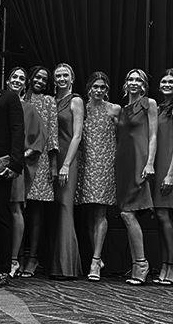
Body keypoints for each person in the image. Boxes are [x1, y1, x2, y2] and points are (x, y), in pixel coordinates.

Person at [0, 64, 29, 282]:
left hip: (1, 164)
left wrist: (15, 163)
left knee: (1, 213)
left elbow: (18, 130)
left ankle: (3, 268)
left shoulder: (8, 97)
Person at [115, 71, 156, 285]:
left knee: (128, 213)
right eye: (130, 79)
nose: (133, 82)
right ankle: (136, 265)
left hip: (139, 161)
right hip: (123, 163)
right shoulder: (122, 110)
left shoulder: (149, 104)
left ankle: (141, 264)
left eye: (138, 80)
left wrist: (150, 163)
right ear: (125, 84)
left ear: (143, 85)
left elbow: (153, 135)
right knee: (126, 213)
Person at [79, 69, 119, 277]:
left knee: (101, 212)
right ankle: (96, 256)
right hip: (86, 163)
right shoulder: (82, 108)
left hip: (105, 163)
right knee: (90, 211)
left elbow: (123, 135)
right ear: (89, 88)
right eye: (95, 86)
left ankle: (95, 260)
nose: (99, 90)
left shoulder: (114, 109)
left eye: (103, 87)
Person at [19, 66, 58, 280]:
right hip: (18, 156)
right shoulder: (19, 97)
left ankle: (32, 258)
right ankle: (16, 256)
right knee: (17, 207)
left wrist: (53, 164)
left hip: (40, 159)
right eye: (37, 77)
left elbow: (52, 133)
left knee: (35, 209)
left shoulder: (49, 101)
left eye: (44, 79)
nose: (40, 81)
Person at [150, 69, 173, 285]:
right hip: (157, 162)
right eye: (163, 81)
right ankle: (165, 264)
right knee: (160, 216)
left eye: (171, 82)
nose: (166, 84)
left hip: (170, 164)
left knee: (165, 216)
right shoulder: (159, 108)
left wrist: (171, 174)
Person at [52, 63, 85, 280]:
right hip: (52, 158)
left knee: (65, 206)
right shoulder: (51, 101)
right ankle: (53, 262)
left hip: (68, 159)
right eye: (58, 76)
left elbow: (77, 135)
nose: (62, 79)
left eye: (65, 75)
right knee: (55, 208)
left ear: (72, 78)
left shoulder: (76, 101)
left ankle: (66, 266)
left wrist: (66, 164)